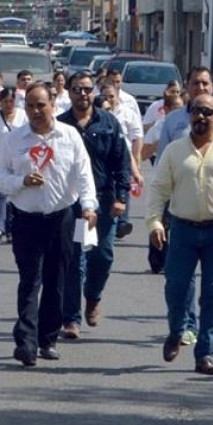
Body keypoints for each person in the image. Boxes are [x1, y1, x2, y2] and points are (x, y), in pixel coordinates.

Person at [0, 83, 97, 366]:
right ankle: (26, 341)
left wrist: (88, 206)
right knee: (29, 279)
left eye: (41, 105)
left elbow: (83, 173)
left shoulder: (69, 135)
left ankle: (48, 339)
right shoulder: (15, 139)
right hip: (25, 219)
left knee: (56, 280)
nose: (36, 111)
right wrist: (20, 182)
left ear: (53, 103)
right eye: (30, 106)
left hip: (61, 217)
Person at [148, 93, 213, 376]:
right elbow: (158, 189)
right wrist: (155, 224)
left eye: (208, 112)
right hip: (182, 229)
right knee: (176, 289)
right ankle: (176, 332)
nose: (202, 117)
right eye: (197, 111)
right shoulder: (174, 150)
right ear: (189, 115)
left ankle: (205, 353)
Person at [57, 72, 131, 338]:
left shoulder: (109, 123)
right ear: (69, 92)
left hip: (104, 202)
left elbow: (122, 163)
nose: (83, 94)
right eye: (77, 89)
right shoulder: (61, 125)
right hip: (73, 204)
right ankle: (71, 319)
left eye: (87, 89)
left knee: (103, 256)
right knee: (75, 260)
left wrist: (122, 198)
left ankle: (93, 298)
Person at [98, 80, 144, 239]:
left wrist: (137, 164)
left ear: (118, 96)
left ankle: (123, 222)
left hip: (123, 157)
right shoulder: (95, 114)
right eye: (105, 96)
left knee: (123, 185)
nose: (108, 99)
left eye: (111, 96)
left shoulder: (127, 113)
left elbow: (136, 138)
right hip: (102, 162)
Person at [0, 87, 27, 243]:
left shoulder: (23, 116)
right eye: (5, 101)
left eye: (11, 101)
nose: (8, 104)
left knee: (14, 195)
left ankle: (11, 229)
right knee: (0, 194)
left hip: (19, 161)